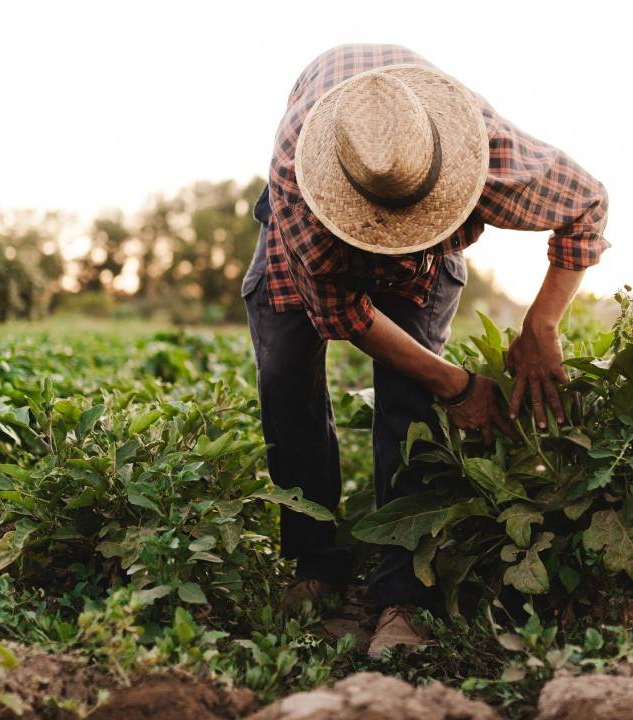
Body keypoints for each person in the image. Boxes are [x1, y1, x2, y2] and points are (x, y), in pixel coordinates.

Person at [242, 45, 609, 658]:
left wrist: (542, 324)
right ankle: (317, 561)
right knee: (285, 377)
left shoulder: (481, 150)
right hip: (309, 229)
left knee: (410, 404)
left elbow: (587, 206)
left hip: (428, 217)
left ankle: (402, 595)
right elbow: (346, 316)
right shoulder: (301, 189)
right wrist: (459, 385)